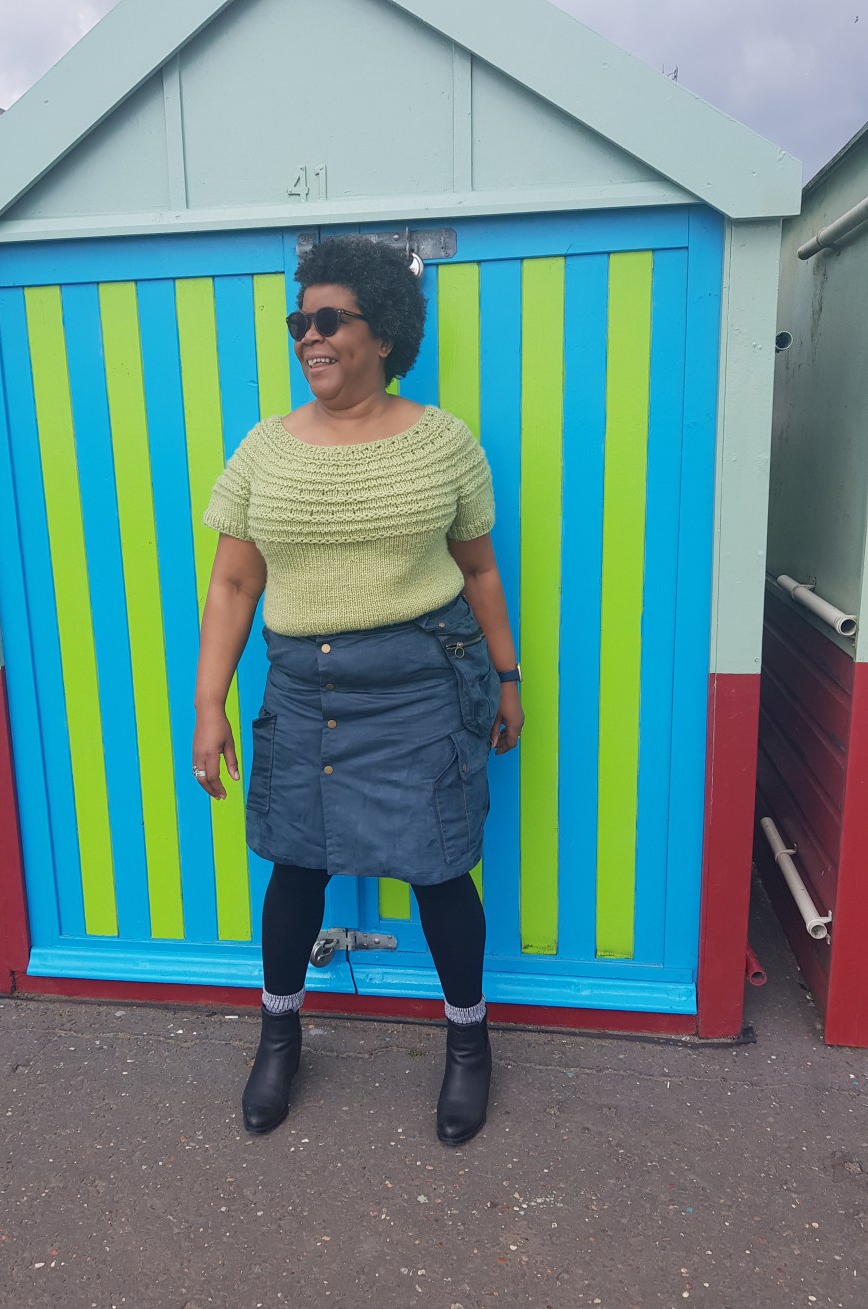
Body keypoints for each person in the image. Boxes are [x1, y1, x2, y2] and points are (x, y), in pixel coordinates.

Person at [192, 235, 524, 1145]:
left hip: (422, 685)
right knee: (296, 863)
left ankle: (468, 1044)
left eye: (330, 319)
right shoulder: (264, 449)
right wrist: (209, 703)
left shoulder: (444, 443)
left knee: (441, 868)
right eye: (300, 322)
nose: (310, 336)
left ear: (385, 333)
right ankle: (278, 1038)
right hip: (307, 689)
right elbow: (233, 584)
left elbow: (480, 569)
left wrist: (508, 676)